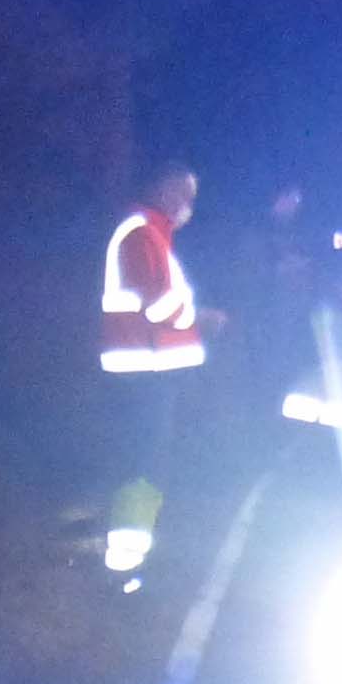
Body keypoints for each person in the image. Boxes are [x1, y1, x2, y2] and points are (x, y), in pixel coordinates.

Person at [98, 160, 221, 529]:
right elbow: (160, 303)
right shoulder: (141, 233)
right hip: (143, 368)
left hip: (151, 367)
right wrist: (198, 319)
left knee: (148, 460)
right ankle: (129, 550)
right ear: (164, 189)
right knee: (144, 463)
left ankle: (137, 537)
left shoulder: (152, 234)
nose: (188, 204)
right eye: (184, 194)